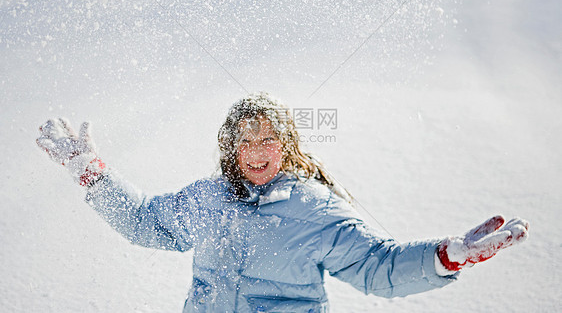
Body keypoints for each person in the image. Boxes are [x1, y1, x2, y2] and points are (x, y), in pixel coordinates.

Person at [36, 92, 529, 313]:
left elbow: (378, 267)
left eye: (267, 139)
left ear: (287, 144)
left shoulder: (314, 211)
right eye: (244, 140)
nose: (255, 152)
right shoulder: (209, 199)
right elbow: (145, 222)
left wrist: (443, 257)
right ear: (230, 146)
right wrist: (92, 175)